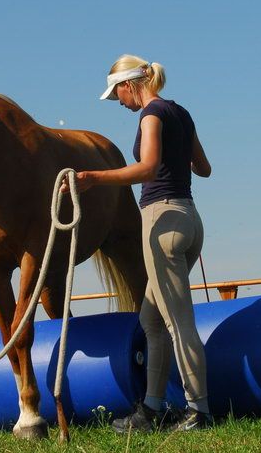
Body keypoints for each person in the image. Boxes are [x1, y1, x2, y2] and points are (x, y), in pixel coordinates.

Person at [68, 54, 213, 432]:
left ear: (130, 84)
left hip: (161, 221)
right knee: (151, 321)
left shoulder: (151, 116)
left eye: (119, 95)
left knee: (178, 323)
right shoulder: (179, 113)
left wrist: (94, 177)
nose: (121, 103)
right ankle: (151, 408)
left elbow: (148, 168)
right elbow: (203, 168)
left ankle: (199, 411)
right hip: (189, 217)